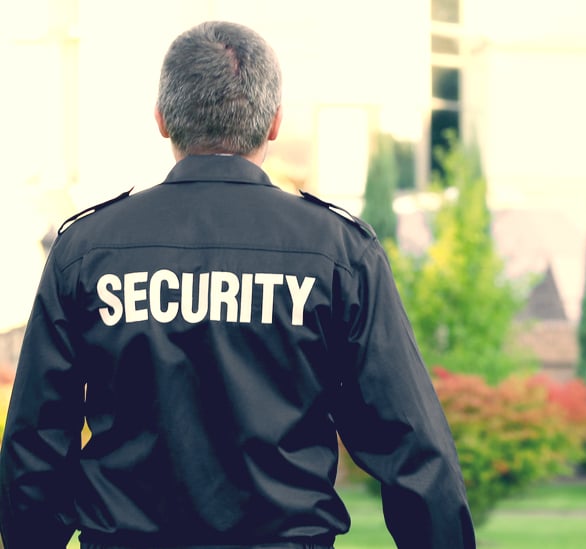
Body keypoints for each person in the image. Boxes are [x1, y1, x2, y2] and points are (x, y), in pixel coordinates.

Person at [0, 21, 476, 549]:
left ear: (161, 119)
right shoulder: (338, 252)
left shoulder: (86, 251)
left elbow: (36, 445)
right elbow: (410, 446)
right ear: (274, 124)